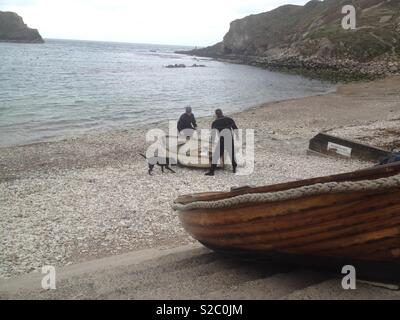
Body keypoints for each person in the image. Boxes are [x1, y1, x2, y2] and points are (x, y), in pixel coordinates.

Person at [205, 109, 238, 176]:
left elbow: (213, 134)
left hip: (222, 140)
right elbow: (235, 129)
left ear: (216, 114)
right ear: (222, 113)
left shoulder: (215, 122)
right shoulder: (229, 119)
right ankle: (234, 168)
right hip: (229, 139)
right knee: (231, 154)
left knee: (216, 156)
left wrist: (211, 142)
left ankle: (212, 172)